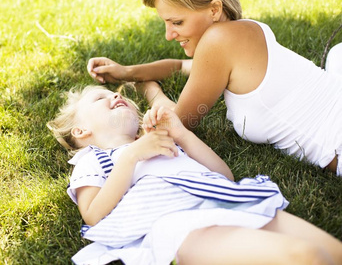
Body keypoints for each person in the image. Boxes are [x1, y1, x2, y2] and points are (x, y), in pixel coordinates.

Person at [87, 0, 342, 177]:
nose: (168, 35)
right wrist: (127, 71)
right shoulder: (243, 30)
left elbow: (177, 123)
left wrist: (148, 87)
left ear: (214, 9)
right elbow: (180, 67)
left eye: (177, 22)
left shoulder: (218, 41)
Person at [47, 85, 342, 265]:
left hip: (232, 201)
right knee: (307, 258)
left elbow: (223, 176)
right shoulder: (92, 159)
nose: (115, 94)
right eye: (102, 98)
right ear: (81, 132)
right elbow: (93, 215)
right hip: (181, 225)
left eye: (119, 93)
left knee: (334, 254)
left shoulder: (162, 141)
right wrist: (134, 154)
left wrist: (182, 134)